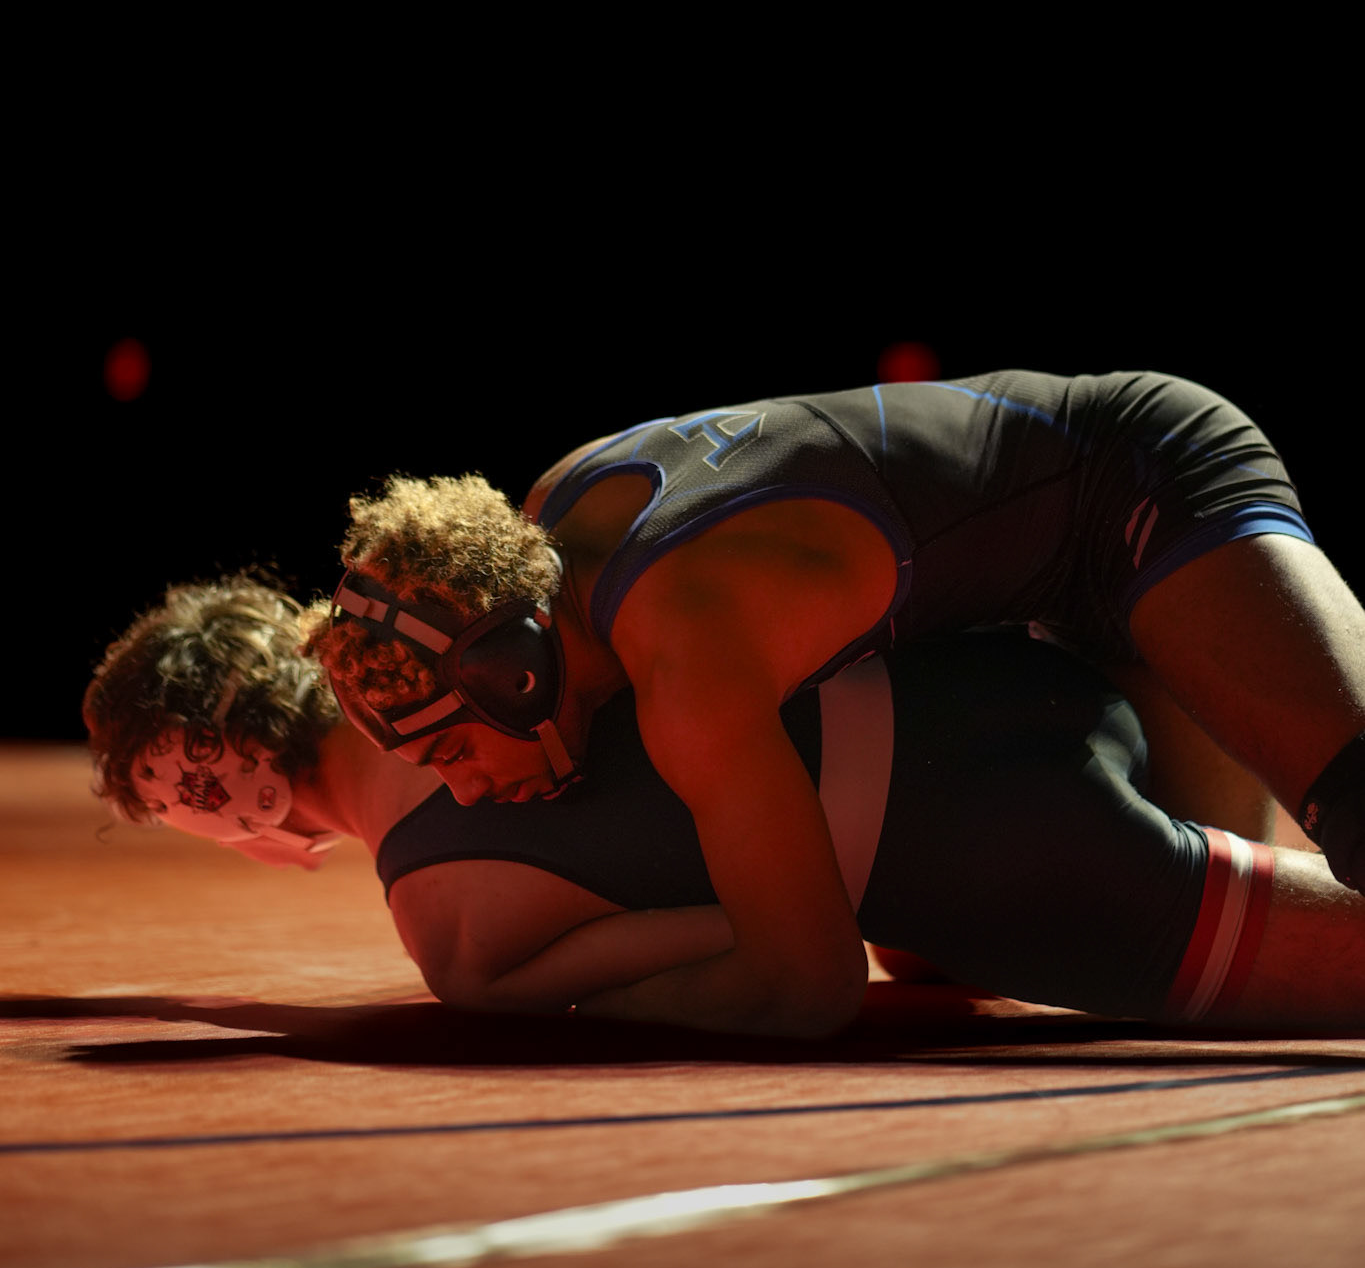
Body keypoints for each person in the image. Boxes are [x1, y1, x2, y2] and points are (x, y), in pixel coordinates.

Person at [312, 369, 1365, 1038]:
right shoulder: (560, 511)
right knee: (1231, 935)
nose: (463, 789)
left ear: (515, 675)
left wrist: (583, 1004)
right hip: (1052, 603)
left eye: (451, 751)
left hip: (1144, 498)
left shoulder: (686, 656)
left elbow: (803, 986)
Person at [82, 576, 1365, 1037]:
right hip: (1007, 661)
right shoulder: (473, 611)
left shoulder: (456, 930)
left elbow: (778, 936)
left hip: (1008, 855)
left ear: (232, 814)